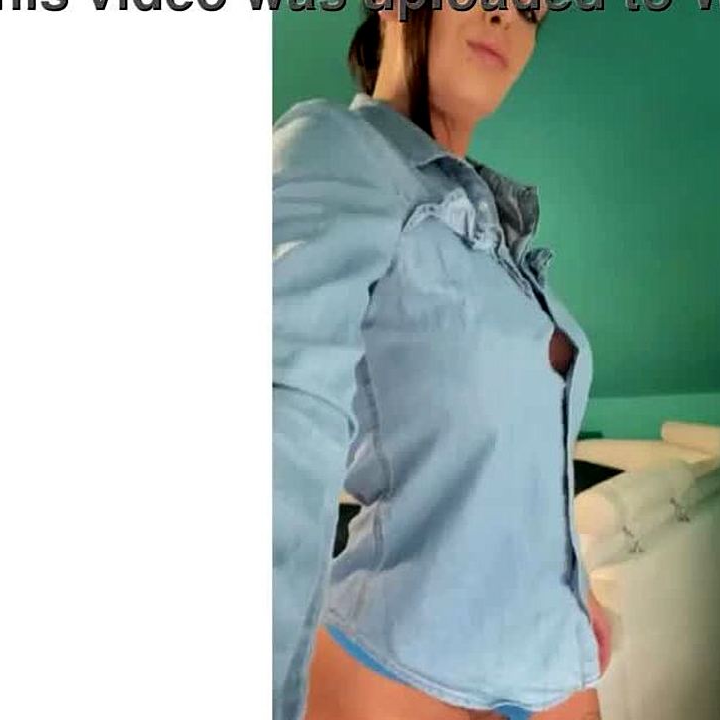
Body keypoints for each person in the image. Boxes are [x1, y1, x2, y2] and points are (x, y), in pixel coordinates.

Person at [272, 2, 611, 719]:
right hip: (395, 673)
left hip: (558, 664)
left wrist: (572, 586)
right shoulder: (334, 149)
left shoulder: (495, 231)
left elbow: (517, 454)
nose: (506, 15)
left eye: (531, 9)